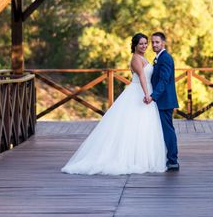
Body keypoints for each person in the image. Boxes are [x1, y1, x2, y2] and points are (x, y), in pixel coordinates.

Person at [61, 33, 166, 175]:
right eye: (141, 43)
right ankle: (129, 159)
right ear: (135, 45)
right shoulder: (136, 58)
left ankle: (141, 158)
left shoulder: (143, 57)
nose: (144, 46)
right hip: (139, 92)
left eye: (145, 43)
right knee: (133, 126)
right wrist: (147, 95)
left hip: (147, 91)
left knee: (144, 126)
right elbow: (141, 76)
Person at [147, 32, 179, 170]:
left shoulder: (166, 58)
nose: (154, 44)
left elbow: (164, 80)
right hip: (162, 100)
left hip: (164, 101)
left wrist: (154, 96)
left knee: (167, 130)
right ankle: (166, 158)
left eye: (157, 42)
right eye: (152, 42)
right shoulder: (158, 58)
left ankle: (173, 160)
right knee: (163, 130)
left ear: (163, 43)